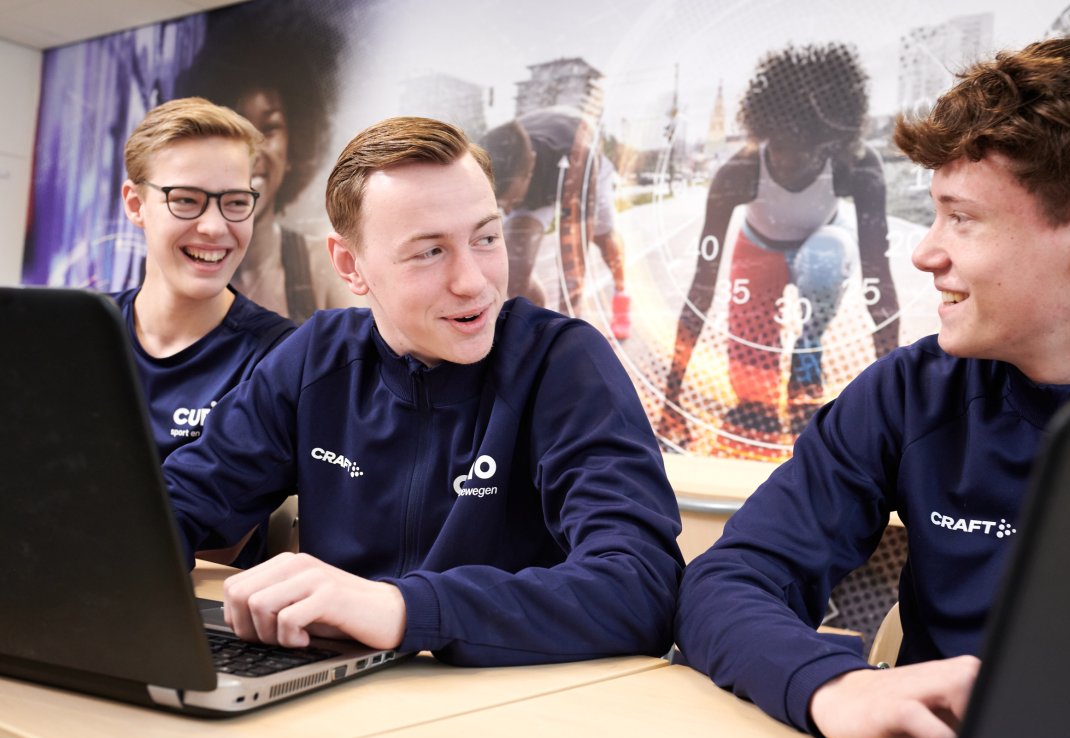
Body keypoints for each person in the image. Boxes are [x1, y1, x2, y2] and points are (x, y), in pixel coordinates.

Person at [675, 36, 1070, 738]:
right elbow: (727, 582)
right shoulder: (910, 393)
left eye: (962, 218)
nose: (925, 252)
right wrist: (833, 685)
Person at [161, 116, 685, 664]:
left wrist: (402, 609)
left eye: (486, 238)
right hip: (329, 687)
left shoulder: (563, 364)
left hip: (504, 698)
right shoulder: (316, 358)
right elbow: (173, 506)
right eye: (430, 252)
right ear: (350, 265)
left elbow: (642, 587)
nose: (473, 281)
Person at [660, 42, 900, 450]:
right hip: (758, 249)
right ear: (765, 131)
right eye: (782, 146)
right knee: (753, 393)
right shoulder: (737, 171)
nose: (791, 162)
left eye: (807, 150)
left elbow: (880, 281)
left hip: (824, 241)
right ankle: (768, 380)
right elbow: (702, 286)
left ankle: (806, 359)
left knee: (824, 260)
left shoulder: (858, 165)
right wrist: (672, 393)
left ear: (832, 142)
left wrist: (896, 400)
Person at [114, 96, 296, 565]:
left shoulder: (280, 356)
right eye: (186, 200)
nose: (215, 227)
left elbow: (217, 541)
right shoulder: (80, 336)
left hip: (192, 596)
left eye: (235, 203)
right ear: (135, 204)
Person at [175, 0, 356, 323]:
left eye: (268, 128)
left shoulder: (325, 268)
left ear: (294, 145)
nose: (253, 150)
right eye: (236, 127)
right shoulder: (182, 267)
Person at [480, 106, 632, 339]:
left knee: (603, 238)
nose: (507, 210)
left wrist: (569, 327)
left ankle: (621, 294)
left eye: (513, 201)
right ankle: (539, 329)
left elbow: (574, 258)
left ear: (531, 165)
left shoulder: (580, 158)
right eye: (502, 203)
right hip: (532, 171)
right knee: (514, 270)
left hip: (578, 165)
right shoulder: (486, 160)